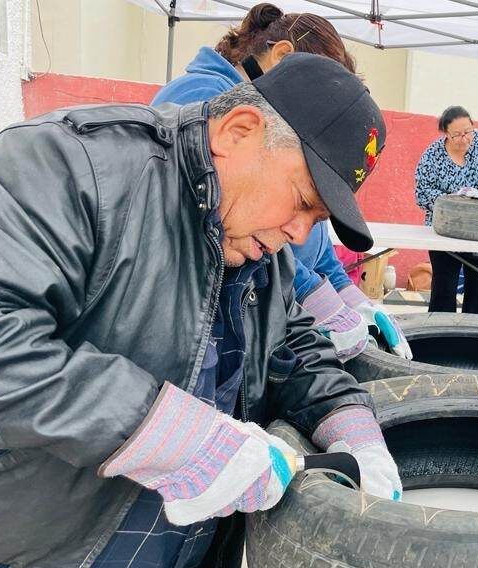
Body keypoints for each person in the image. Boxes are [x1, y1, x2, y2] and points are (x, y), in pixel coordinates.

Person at [0, 55, 403, 568]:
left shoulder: (258, 247)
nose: (300, 233)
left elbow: (292, 344)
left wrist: (352, 425)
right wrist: (174, 438)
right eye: (303, 200)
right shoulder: (68, 167)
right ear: (239, 132)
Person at [153, 2, 411, 361]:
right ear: (283, 56)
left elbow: (314, 238)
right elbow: (223, 226)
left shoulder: (287, 138)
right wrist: (311, 296)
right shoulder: (203, 98)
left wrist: (347, 293)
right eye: (321, 98)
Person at [414, 106, 478, 313]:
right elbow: (422, 192)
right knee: (444, 287)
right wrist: (455, 200)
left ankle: (472, 331)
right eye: (457, 135)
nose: (464, 139)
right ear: (445, 133)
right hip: (446, 230)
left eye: (468, 132)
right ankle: (442, 330)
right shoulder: (433, 155)